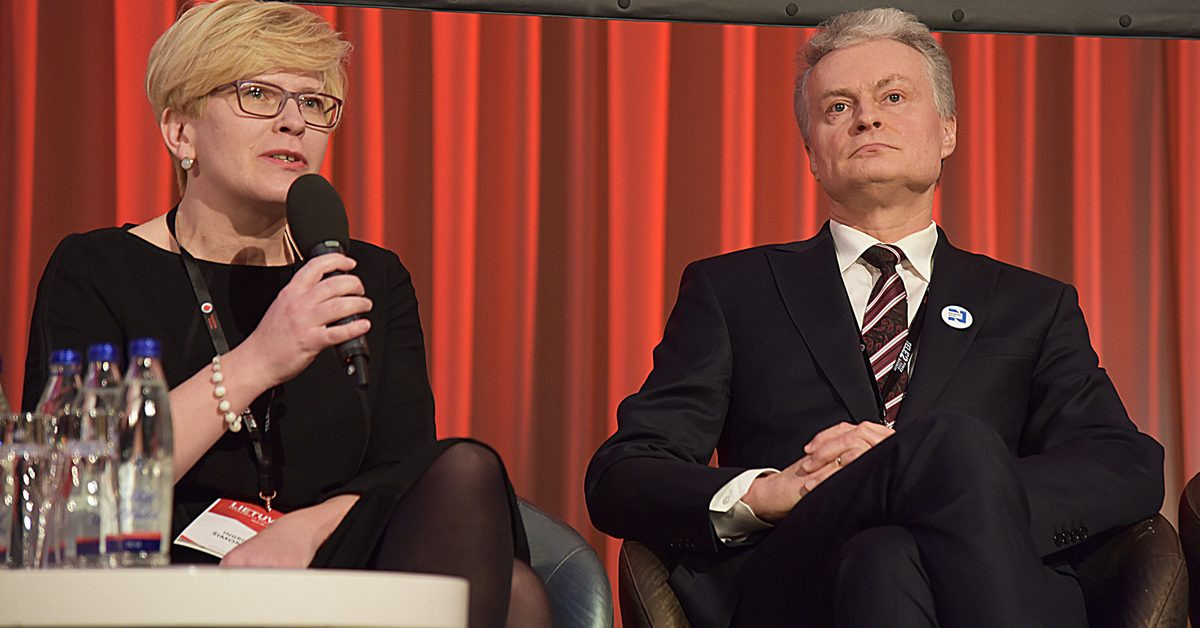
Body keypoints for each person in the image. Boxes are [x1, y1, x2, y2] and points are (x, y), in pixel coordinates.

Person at [585, 8, 1164, 627]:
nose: (866, 118)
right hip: (800, 585)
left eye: (893, 96)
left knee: (891, 547)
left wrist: (957, 489)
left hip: (971, 576)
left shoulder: (1032, 304)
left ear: (947, 131)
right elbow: (624, 473)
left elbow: (1123, 462)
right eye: (838, 107)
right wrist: (768, 490)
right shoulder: (732, 291)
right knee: (953, 446)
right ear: (812, 153)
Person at [21, 2, 549, 626]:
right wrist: (260, 359)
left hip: (329, 562)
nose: (294, 122)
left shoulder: (369, 276)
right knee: (513, 592)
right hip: (161, 572)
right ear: (181, 133)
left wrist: (307, 529)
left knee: (466, 470)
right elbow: (75, 491)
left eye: (314, 103)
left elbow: (399, 474)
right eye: (258, 94)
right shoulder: (97, 269)